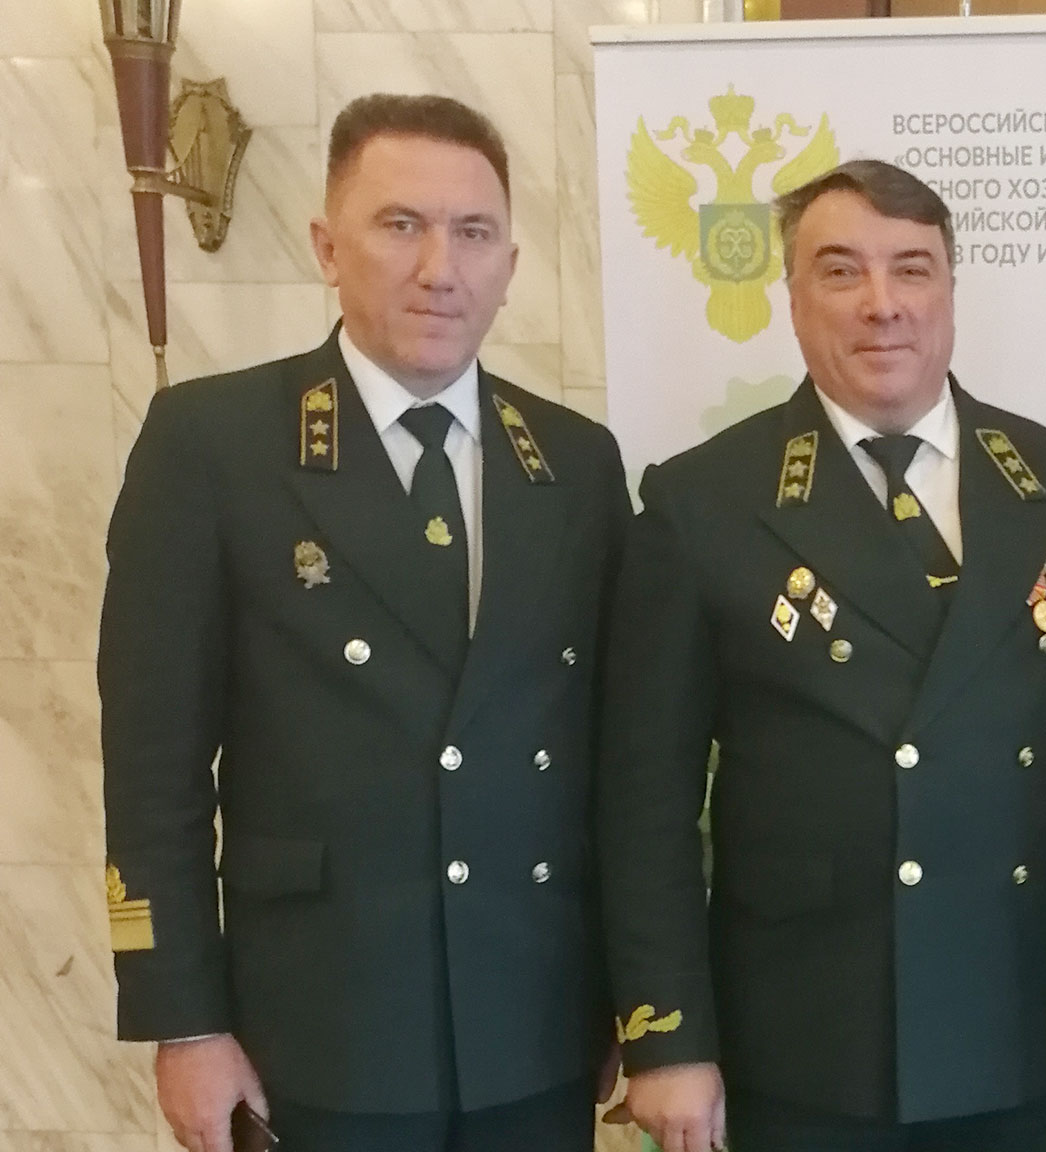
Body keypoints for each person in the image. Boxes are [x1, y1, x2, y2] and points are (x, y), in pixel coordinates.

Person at [100, 94, 630, 1152]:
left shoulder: (575, 461)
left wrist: (634, 997)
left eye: (473, 232)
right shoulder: (213, 444)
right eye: (400, 225)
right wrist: (184, 1020)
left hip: (533, 1026)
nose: (441, 267)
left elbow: (617, 763)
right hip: (320, 1026)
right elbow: (155, 767)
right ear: (327, 247)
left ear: (510, 265)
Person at [597, 159, 1046, 1152]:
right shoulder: (704, 503)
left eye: (912, 269)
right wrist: (667, 1038)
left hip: (1015, 1023)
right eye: (841, 271)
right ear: (793, 298)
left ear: (950, 291)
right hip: (807, 1039)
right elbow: (645, 803)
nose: (882, 304)